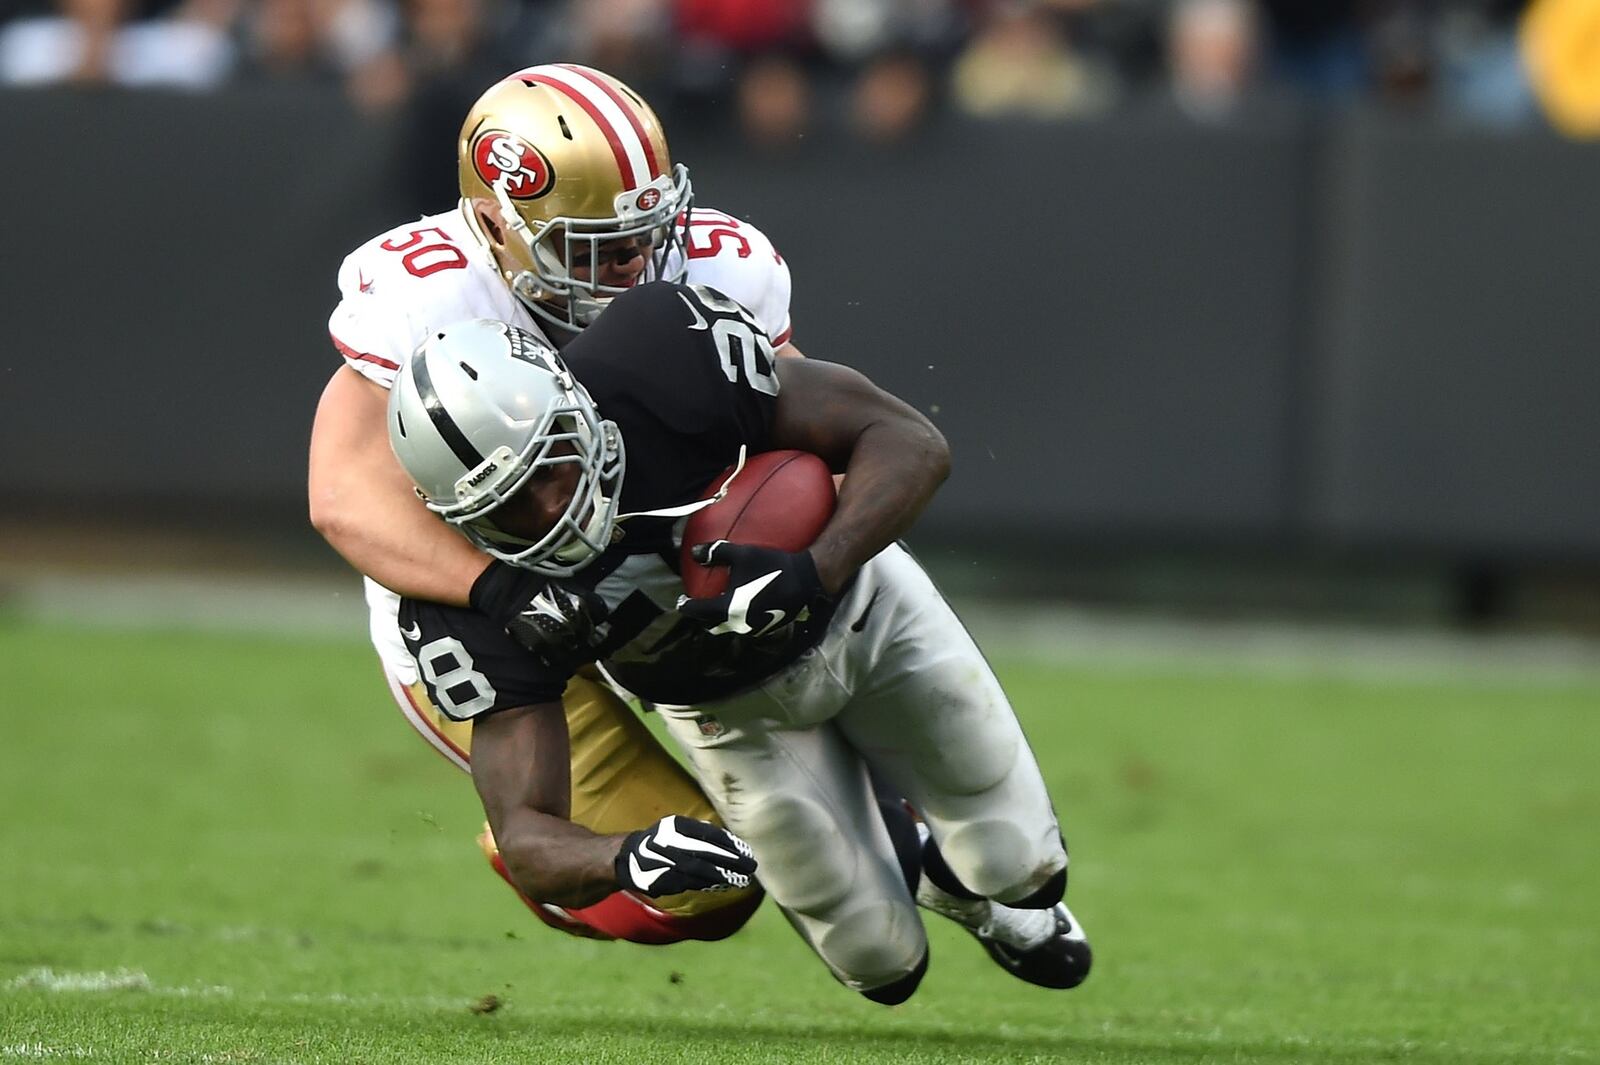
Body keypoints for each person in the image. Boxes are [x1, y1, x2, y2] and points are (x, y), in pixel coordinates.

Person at [309, 63, 1072, 969]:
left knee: (773, 648)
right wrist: (498, 589)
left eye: (645, 230)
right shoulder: (428, 293)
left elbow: (780, 444)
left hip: (646, 544)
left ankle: (919, 848)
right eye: (598, 246)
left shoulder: (711, 266)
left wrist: (800, 567)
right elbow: (344, 494)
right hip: (475, 585)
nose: (635, 264)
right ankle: (553, 865)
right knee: (703, 884)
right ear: (498, 225)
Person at [382, 289, 1094, 1002]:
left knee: (1024, 867)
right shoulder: (471, 597)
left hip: (864, 611)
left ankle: (959, 876)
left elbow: (907, 437)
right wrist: (627, 855)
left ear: (574, 406)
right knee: (881, 962)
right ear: (454, 518)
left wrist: (820, 566)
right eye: (505, 508)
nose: (550, 511)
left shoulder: (659, 361)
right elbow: (526, 832)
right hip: (728, 711)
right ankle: (918, 865)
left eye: (552, 466)